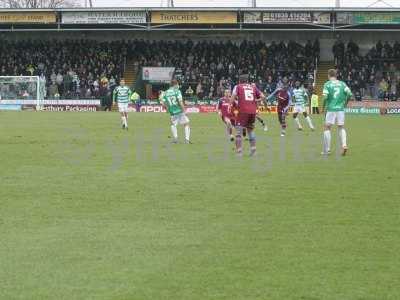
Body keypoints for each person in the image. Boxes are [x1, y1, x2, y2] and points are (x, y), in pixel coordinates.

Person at [231, 74, 265, 156]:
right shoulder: (253, 87)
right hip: (252, 111)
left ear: (240, 81)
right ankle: (253, 151)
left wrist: (230, 105)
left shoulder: (238, 86)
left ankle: (239, 152)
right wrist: (255, 100)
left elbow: (233, 97)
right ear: (247, 81)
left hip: (243, 111)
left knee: (238, 131)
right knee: (250, 130)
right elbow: (263, 97)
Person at [322, 69, 353, 156]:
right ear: (336, 75)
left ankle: (327, 150)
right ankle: (344, 145)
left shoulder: (327, 84)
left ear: (329, 75)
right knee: (341, 127)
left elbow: (324, 97)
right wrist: (345, 104)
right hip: (340, 109)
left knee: (327, 127)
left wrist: (322, 107)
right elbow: (350, 94)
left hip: (331, 109)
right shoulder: (342, 84)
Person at [159, 79, 191, 144]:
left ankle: (175, 139)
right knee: (186, 124)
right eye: (177, 84)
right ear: (175, 84)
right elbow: (180, 102)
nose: (178, 86)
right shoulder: (177, 91)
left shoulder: (165, 93)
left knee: (173, 124)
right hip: (180, 110)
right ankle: (187, 140)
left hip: (172, 112)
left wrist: (167, 109)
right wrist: (185, 111)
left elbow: (164, 104)